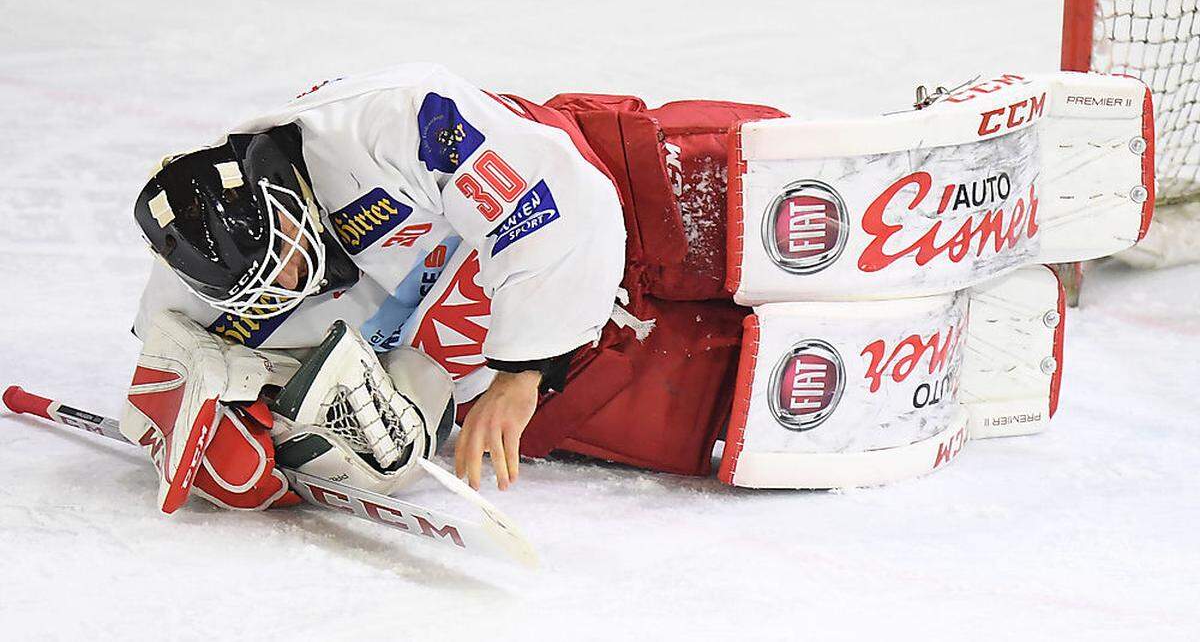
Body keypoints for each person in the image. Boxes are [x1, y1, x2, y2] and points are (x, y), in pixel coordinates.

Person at [129, 62, 787, 508]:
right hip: (554, 377)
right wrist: (245, 427)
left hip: (611, 203)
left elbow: (551, 194)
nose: (290, 283)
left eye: (287, 253)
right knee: (710, 410)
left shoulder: (377, 123)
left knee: (719, 201)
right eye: (264, 288)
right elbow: (164, 386)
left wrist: (519, 372)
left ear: (277, 183)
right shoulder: (191, 301)